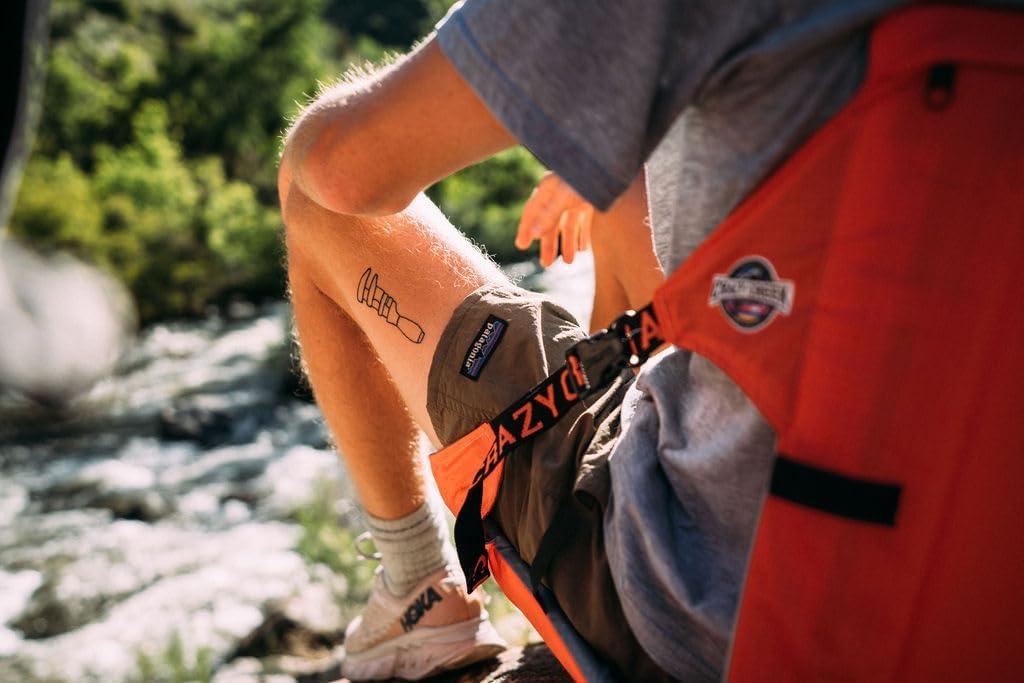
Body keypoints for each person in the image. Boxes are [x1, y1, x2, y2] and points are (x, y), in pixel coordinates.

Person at [277, 1, 939, 679]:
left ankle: (419, 589)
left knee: (311, 193)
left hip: (692, 607)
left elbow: (344, 167)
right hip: (933, 600)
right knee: (626, 194)